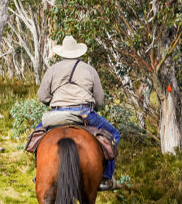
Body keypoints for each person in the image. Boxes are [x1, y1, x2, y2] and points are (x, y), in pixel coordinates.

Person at [36, 35, 121, 191]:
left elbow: (42, 96)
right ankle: (106, 178)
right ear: (78, 52)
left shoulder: (52, 69)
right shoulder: (89, 70)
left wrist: (55, 102)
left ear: (62, 53)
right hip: (84, 113)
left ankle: (40, 173)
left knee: (36, 137)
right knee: (114, 134)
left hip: (57, 114)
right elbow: (100, 100)